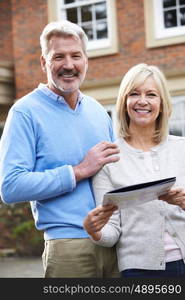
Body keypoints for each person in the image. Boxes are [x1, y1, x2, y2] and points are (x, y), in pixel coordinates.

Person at [0, 20, 120, 278]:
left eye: (75, 55)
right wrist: (78, 171)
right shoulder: (24, 113)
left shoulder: (99, 112)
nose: (68, 65)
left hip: (115, 241)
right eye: (58, 57)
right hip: (68, 247)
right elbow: (10, 187)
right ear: (44, 63)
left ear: (86, 60)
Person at [83, 63, 185, 278]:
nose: (143, 101)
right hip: (139, 271)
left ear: (162, 103)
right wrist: (95, 230)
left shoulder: (182, 148)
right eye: (134, 94)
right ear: (124, 102)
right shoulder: (109, 159)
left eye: (151, 94)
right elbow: (111, 232)